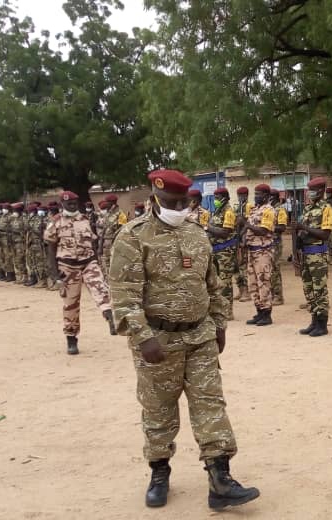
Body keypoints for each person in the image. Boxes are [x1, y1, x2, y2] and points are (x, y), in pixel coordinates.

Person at [109, 169, 259, 511]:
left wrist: (219, 323)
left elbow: (213, 284)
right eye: (171, 202)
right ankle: (159, 472)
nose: (179, 207)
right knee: (159, 409)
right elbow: (124, 295)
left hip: (200, 335)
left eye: (184, 202)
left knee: (210, 404)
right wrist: (143, 337)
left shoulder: (196, 234)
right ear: (155, 199)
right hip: (158, 340)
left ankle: (220, 479)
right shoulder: (133, 237)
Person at [44, 191, 116, 355]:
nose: (73, 206)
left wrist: (96, 262)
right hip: (68, 267)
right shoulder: (56, 222)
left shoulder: (84, 220)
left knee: (102, 290)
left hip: (88, 262)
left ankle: (110, 316)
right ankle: (71, 339)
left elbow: (92, 242)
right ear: (62, 204)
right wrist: (55, 274)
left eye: (75, 203)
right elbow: (50, 248)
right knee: (71, 305)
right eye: (69, 204)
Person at [295, 178, 332, 337]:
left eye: (312, 189)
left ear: (320, 190)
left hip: (318, 253)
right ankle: (314, 320)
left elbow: (325, 234)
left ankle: (322, 323)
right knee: (309, 289)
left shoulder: (326, 208)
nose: (309, 192)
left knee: (320, 289)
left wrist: (304, 228)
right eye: (308, 189)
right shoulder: (307, 208)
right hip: (306, 253)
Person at [243, 184, 276, 326]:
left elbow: (263, 231)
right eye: (255, 193)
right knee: (253, 283)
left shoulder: (269, 210)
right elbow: (248, 229)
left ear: (267, 196)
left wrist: (247, 225)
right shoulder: (254, 210)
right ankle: (259, 311)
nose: (256, 196)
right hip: (252, 250)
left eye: (259, 194)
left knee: (263, 282)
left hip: (263, 251)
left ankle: (267, 314)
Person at [206, 188, 238, 318]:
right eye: (215, 197)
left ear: (225, 197)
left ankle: (228, 311)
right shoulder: (217, 212)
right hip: (216, 251)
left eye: (217, 197)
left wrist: (208, 227)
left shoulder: (229, 212)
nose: (215, 200)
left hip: (226, 251)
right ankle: (219, 309)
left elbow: (225, 232)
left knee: (225, 281)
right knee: (216, 281)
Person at [99, 194, 126, 278]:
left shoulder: (121, 214)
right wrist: (100, 245)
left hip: (115, 242)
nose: (105, 203)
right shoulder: (108, 213)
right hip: (106, 243)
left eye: (107, 202)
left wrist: (116, 244)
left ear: (112, 202)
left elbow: (122, 230)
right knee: (107, 262)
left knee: (116, 262)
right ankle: (109, 280)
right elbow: (104, 229)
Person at [269, 188, 288, 306]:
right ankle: (271, 294)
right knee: (269, 270)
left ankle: (278, 296)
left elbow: (282, 228)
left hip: (275, 243)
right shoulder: (268, 209)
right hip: (267, 243)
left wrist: (267, 227)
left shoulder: (280, 209)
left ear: (274, 197)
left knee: (275, 269)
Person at [233, 186, 251, 302]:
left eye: (243, 195)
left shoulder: (249, 207)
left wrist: (242, 236)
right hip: (236, 238)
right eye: (239, 195)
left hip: (244, 238)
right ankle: (240, 289)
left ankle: (246, 292)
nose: (240, 198)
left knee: (243, 266)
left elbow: (249, 223)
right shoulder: (236, 207)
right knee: (236, 266)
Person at [9, 203, 28, 284]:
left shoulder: (23, 218)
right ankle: (20, 275)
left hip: (21, 242)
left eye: (16, 210)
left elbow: (25, 229)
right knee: (16, 259)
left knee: (21, 259)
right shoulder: (14, 219)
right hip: (14, 241)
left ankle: (25, 276)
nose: (14, 212)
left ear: (19, 211)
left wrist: (17, 231)